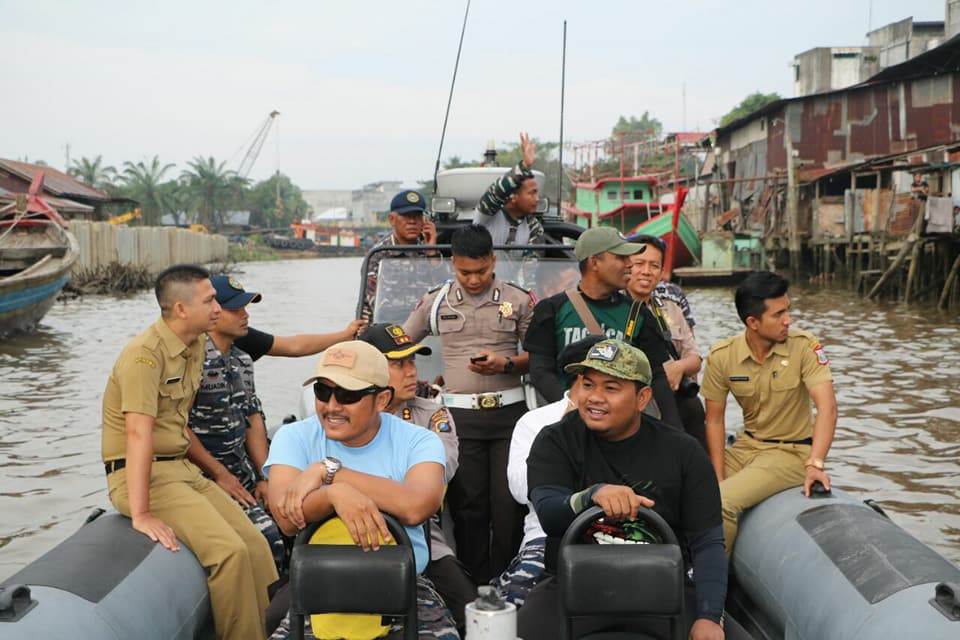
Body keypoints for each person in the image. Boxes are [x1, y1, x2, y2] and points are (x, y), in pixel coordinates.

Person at [101, 264, 277, 640]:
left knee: (255, 545)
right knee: (229, 553)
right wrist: (141, 513)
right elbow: (137, 434)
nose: (217, 307)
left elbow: (176, 420)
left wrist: (215, 473)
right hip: (145, 474)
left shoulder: (193, 347)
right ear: (181, 309)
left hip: (181, 469)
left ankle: (267, 629)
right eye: (210, 300)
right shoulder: (144, 356)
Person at [518, 339, 727, 640]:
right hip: (572, 585)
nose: (595, 397)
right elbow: (549, 513)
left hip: (663, 587)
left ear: (642, 398)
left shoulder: (685, 452)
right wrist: (591, 496)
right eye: (587, 385)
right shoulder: (555, 440)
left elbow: (707, 543)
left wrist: (709, 616)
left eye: (611, 388)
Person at [265, 340, 457, 639]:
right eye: (322, 391)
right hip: (319, 583)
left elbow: (416, 506)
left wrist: (331, 473)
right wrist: (333, 496)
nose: (332, 406)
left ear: (381, 400)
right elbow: (287, 520)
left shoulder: (419, 440)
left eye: (347, 395)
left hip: (404, 584)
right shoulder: (294, 437)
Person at [404, 223, 535, 585]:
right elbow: (401, 342)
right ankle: (474, 587)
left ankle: (508, 582)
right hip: (459, 419)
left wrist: (506, 364)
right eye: (465, 272)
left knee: (509, 506)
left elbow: (541, 355)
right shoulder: (436, 302)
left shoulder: (519, 300)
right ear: (453, 264)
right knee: (468, 508)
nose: (474, 279)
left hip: (510, 418)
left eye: (481, 271)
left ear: (493, 260)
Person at [700, 271, 838, 557]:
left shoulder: (804, 346)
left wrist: (816, 464)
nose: (788, 320)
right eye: (778, 314)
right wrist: (717, 474)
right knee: (693, 491)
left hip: (790, 452)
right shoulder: (722, 356)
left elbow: (828, 408)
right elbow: (713, 419)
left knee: (720, 502)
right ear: (753, 322)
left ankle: (713, 581)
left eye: (788, 310)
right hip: (746, 447)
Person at [358, 322, 477, 632]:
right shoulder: (345, 416)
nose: (411, 372)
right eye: (398, 364)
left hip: (421, 540)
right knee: (278, 615)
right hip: (347, 538)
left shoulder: (432, 415)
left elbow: (440, 472)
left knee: (471, 616)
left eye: (412, 362)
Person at [494, 335, 604, 608]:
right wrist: (566, 435)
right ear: (581, 378)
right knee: (517, 603)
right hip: (545, 537)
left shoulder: (631, 423)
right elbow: (521, 491)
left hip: (620, 536)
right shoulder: (535, 422)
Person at [185, 275, 285, 572]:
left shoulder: (242, 360)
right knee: (267, 538)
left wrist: (265, 478)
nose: (245, 316)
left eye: (245, 308)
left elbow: (252, 417)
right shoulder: (191, 360)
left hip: (243, 473)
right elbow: (175, 425)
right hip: (206, 476)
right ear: (213, 312)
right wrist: (220, 475)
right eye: (236, 309)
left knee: (291, 518)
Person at [524, 226, 642, 404]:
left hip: (620, 413)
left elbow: (656, 375)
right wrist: (571, 407)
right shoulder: (551, 310)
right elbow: (540, 371)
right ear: (594, 263)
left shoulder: (637, 313)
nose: (630, 264)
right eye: (621, 257)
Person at [627, 235, 707, 448]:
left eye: (654, 266)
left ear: (662, 272)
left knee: (693, 407)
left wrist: (679, 368)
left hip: (672, 396)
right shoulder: (614, 308)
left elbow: (695, 357)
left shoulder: (670, 308)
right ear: (626, 266)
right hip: (630, 398)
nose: (646, 271)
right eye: (639, 264)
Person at [361, 189, 440, 323]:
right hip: (385, 325)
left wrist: (432, 252)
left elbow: (444, 290)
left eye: (417, 217)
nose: (412, 222)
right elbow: (377, 303)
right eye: (406, 216)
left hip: (424, 324)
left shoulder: (428, 250)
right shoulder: (378, 255)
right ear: (392, 219)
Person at [473, 132, 544, 248]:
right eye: (532, 193)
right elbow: (496, 192)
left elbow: (533, 258)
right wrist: (524, 166)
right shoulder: (487, 214)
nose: (537, 199)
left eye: (536, 193)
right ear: (513, 196)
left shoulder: (534, 227)